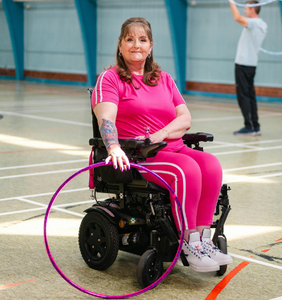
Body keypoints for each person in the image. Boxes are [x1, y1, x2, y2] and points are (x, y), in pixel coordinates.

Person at [91, 17, 232, 273]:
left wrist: (162, 133)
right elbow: (106, 119)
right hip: (140, 155)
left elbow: (185, 118)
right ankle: (188, 244)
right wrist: (113, 147)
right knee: (186, 170)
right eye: (130, 39)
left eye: (142, 40)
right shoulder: (109, 79)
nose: (137, 45)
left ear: (151, 45)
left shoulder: (163, 78)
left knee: (211, 165)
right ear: (120, 45)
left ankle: (202, 240)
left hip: (172, 147)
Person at [230, 0, 267, 136]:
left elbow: (237, 17)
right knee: (250, 96)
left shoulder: (255, 23)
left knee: (244, 96)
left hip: (244, 64)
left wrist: (231, 2)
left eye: (246, 8)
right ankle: (255, 126)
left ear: (252, 10)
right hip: (251, 65)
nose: (244, 11)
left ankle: (250, 126)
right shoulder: (262, 24)